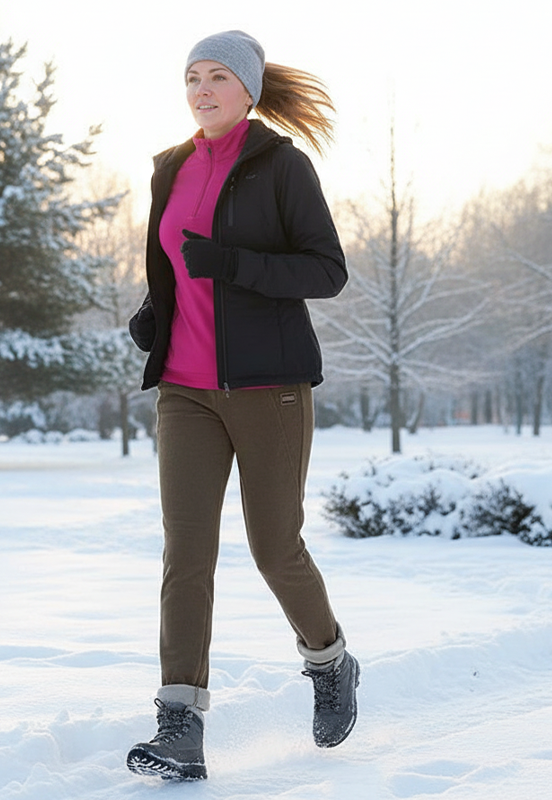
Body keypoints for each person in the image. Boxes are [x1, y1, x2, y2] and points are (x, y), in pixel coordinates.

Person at [126, 30, 358, 782]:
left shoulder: (282, 165)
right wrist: (155, 314)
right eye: (192, 76)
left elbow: (326, 271)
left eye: (218, 76)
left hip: (269, 388)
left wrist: (232, 265)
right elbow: (173, 269)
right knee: (186, 554)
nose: (202, 89)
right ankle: (180, 723)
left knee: (274, 546)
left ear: (249, 89)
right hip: (184, 391)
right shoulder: (170, 166)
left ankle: (329, 661)